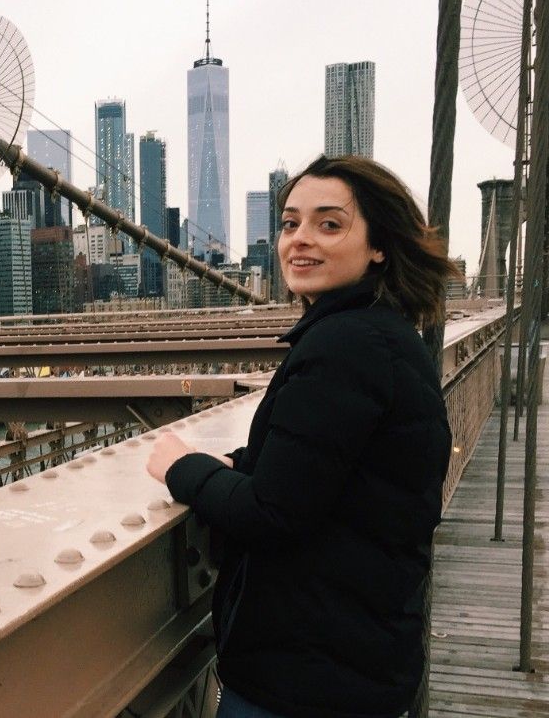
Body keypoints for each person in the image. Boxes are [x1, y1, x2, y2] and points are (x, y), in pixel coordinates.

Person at [146, 155, 458, 718]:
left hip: (303, 681)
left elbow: (274, 512)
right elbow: (334, 465)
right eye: (290, 224)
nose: (300, 240)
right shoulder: (383, 336)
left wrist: (181, 468)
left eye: (329, 224)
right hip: (356, 661)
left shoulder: (344, 346)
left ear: (380, 245)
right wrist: (243, 461)